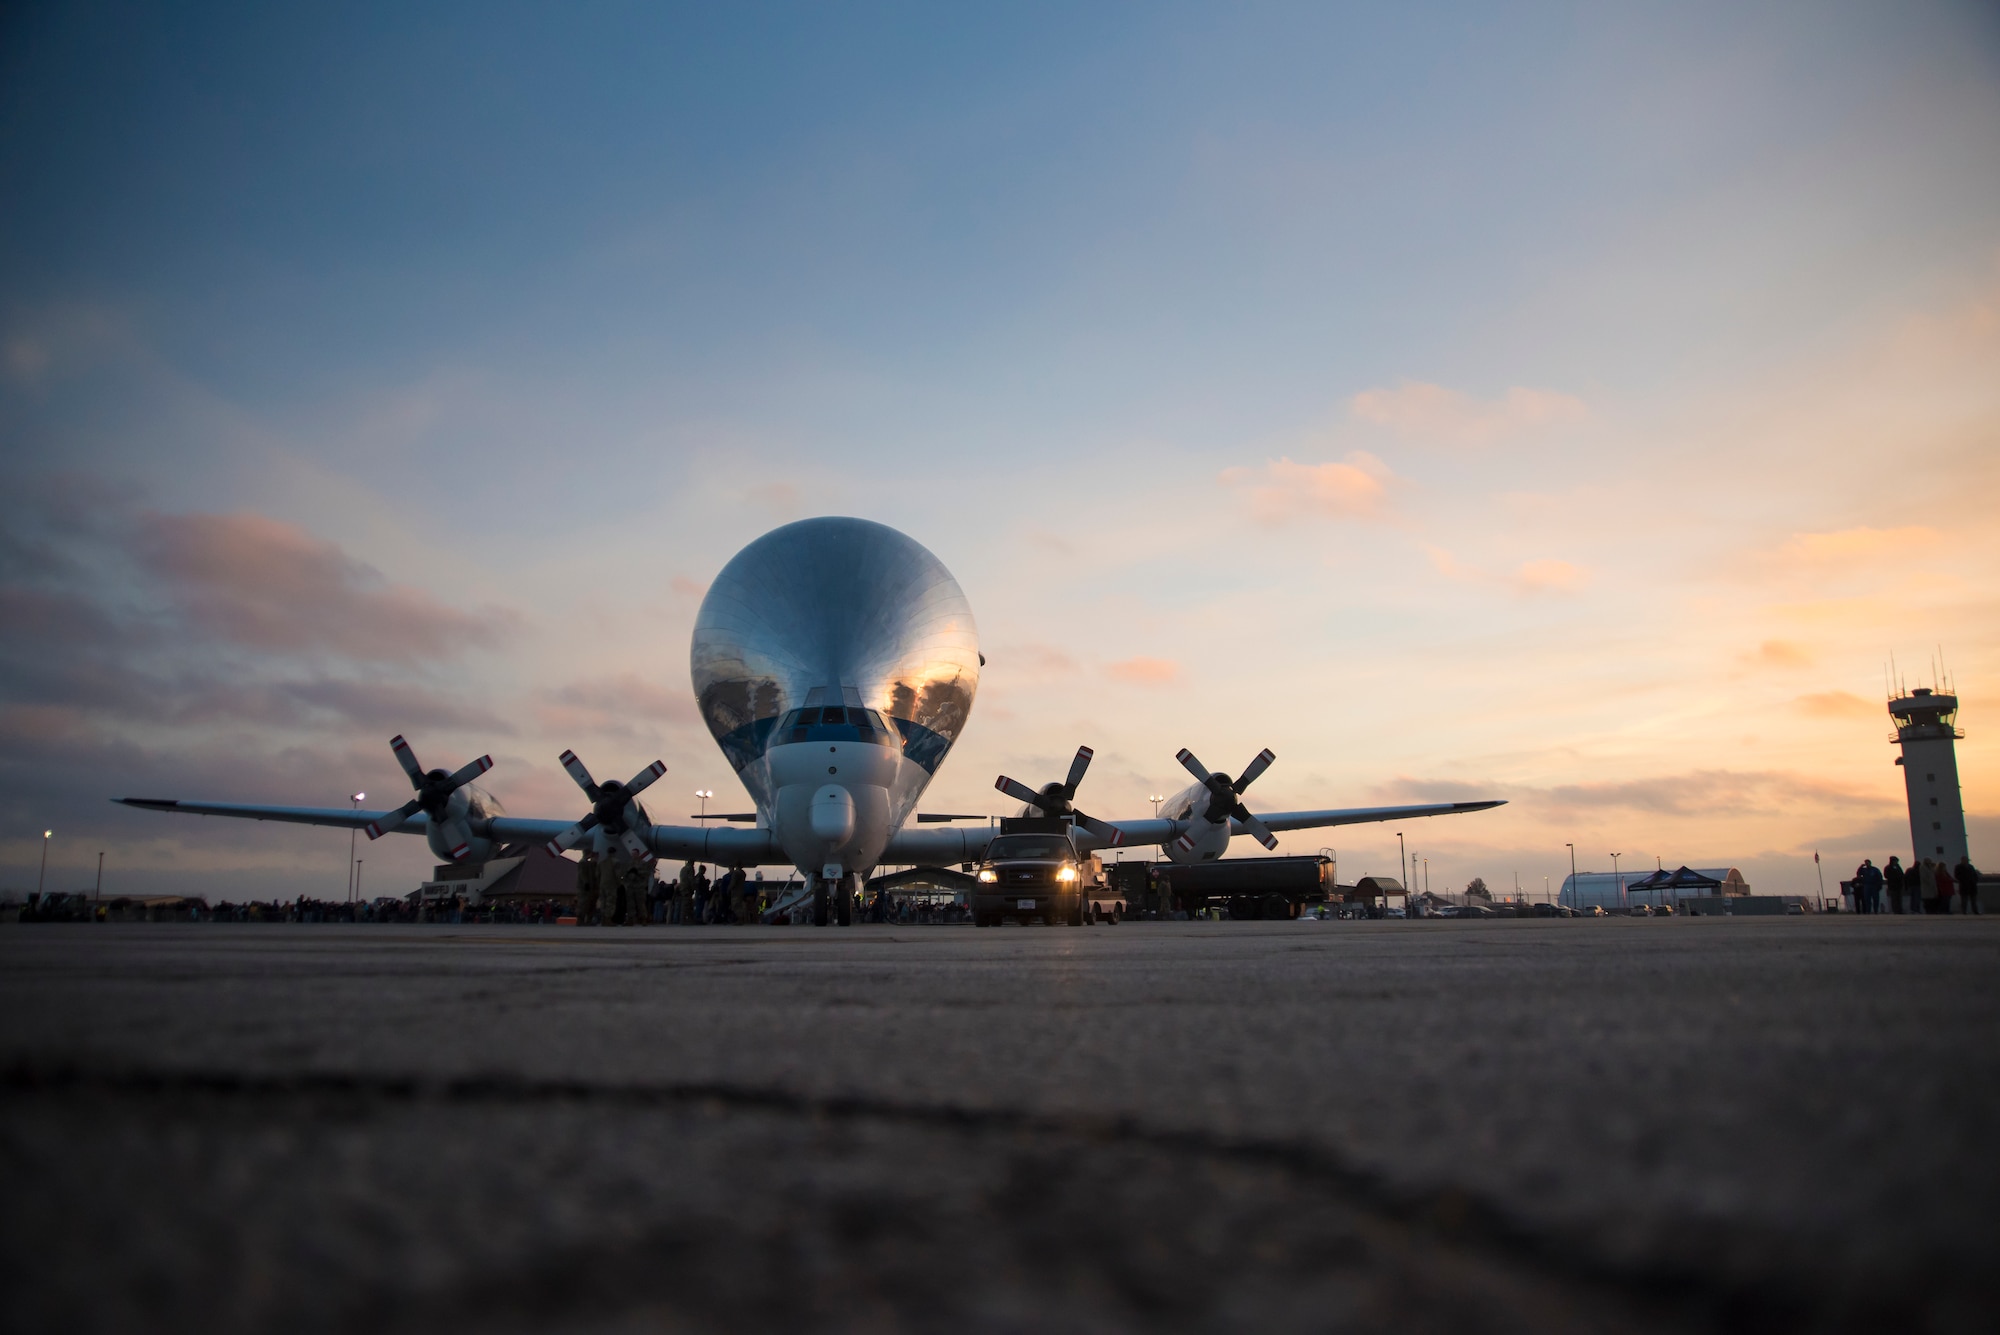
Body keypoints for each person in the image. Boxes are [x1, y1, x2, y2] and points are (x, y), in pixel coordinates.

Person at [576, 850, 599, 924]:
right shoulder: (583, 863)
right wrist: (586, 883)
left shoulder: (588, 863)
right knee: (583, 903)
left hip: (590, 888)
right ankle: (581, 920)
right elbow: (583, 874)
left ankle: (587, 920)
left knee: (590, 904)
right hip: (585, 888)